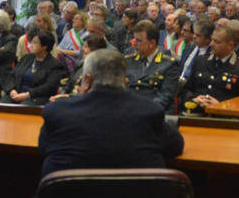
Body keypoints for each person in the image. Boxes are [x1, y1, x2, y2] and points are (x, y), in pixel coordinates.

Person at [38, 48, 184, 178]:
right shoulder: (149, 112)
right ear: (125, 81)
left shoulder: (58, 112)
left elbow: (44, 147)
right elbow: (175, 146)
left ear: (88, 80)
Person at [180, 23, 239, 115]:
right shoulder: (200, 61)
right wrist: (194, 99)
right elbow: (186, 90)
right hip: (195, 114)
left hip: (224, 119)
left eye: (217, 42)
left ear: (230, 45)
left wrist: (222, 106)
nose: (211, 44)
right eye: (212, 40)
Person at [1, 31, 67, 106]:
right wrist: (12, 90)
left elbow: (49, 87)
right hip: (16, 93)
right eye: (31, 42)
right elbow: (11, 76)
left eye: (35, 43)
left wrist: (27, 94)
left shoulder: (55, 65)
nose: (31, 45)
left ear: (44, 46)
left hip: (37, 97)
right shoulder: (26, 58)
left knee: (21, 109)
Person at [124, 20, 179, 110]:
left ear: (152, 43)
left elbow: (165, 97)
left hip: (154, 113)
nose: (134, 44)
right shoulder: (129, 60)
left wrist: (143, 110)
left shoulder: (169, 64)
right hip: (129, 111)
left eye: (138, 41)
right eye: (134, 39)